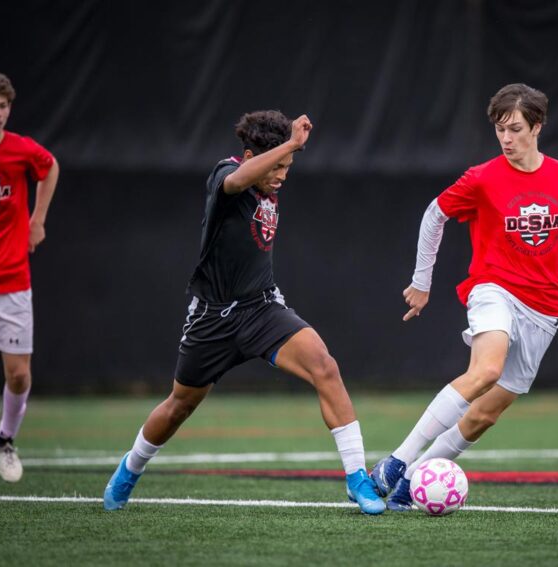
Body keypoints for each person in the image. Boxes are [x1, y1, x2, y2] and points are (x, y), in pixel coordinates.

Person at [103, 110, 385, 515]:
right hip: (211, 317)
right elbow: (236, 181)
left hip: (261, 308)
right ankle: (130, 468)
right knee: (180, 404)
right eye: (278, 164)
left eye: (289, 166)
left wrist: (287, 148)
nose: (283, 174)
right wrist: (289, 144)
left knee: (325, 366)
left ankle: (358, 479)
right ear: (253, 155)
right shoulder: (226, 173)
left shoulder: (270, 185)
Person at [370, 83, 558, 510]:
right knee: (486, 370)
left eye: (515, 128)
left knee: (484, 415)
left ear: (537, 126)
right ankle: (395, 462)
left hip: (544, 310)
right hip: (493, 289)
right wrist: (422, 282)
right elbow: (435, 216)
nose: (506, 138)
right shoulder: (482, 178)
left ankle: (411, 483)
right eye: (500, 129)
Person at [0, 68, 60, 482]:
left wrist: (37, 219)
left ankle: (6, 439)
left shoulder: (21, 150)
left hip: (10, 277)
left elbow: (50, 166)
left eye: (3, 106)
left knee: (18, 373)